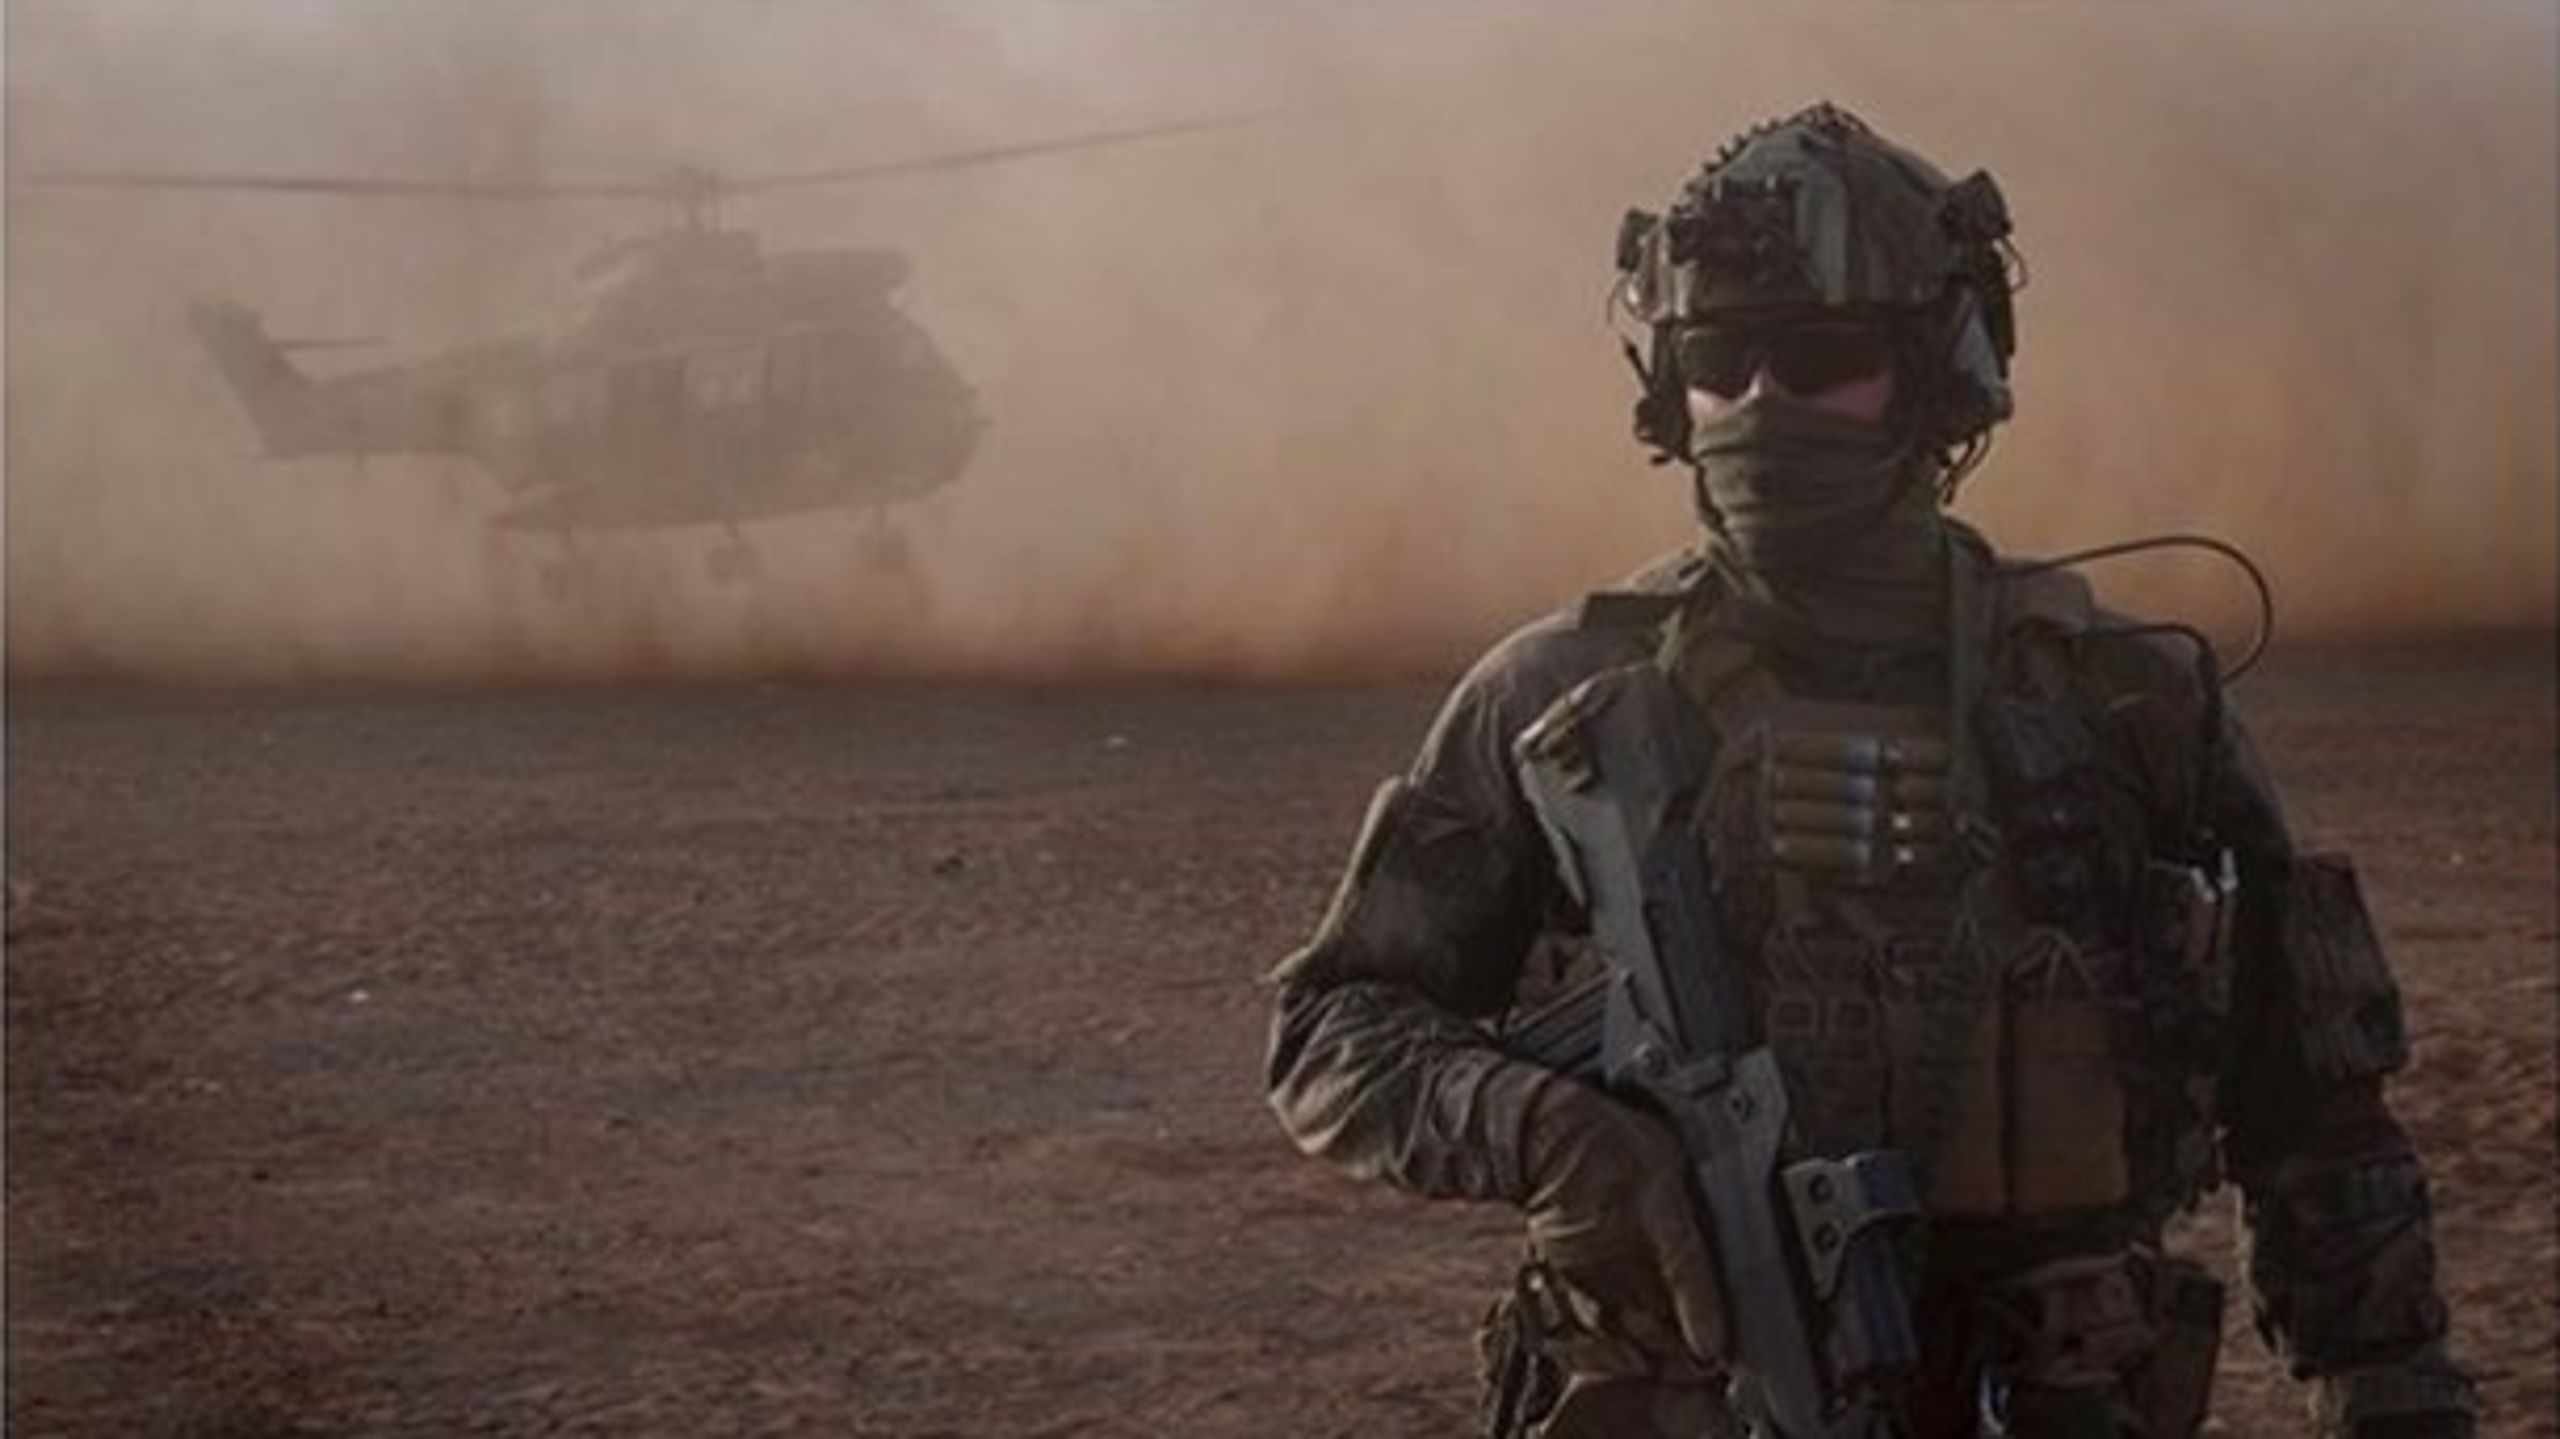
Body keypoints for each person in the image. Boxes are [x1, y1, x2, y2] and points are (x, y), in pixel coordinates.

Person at [1262, 103, 2475, 1438]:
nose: (1761, 406)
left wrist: (2393, 1398)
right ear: (1668, 384)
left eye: (1822, 357)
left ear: (1937, 374)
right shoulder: (1560, 702)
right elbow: (1335, 1029)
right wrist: (1546, 1129)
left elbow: (2317, 1113)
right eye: (1720, 360)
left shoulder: (2123, 697)